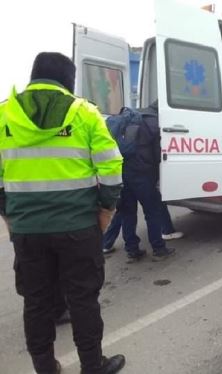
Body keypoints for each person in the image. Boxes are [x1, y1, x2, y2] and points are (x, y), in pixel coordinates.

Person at [0, 52, 125, 373]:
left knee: (36, 302)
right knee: (83, 299)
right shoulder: (84, 113)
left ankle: (45, 367)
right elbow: (111, 166)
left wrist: (10, 214)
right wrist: (106, 208)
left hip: (28, 231)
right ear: (69, 80)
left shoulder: (4, 115)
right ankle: (92, 365)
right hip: (78, 226)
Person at [119, 100, 176, 262]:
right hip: (143, 173)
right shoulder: (154, 122)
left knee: (128, 213)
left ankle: (132, 249)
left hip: (123, 170)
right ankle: (158, 249)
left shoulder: (130, 117)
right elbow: (158, 155)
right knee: (152, 211)